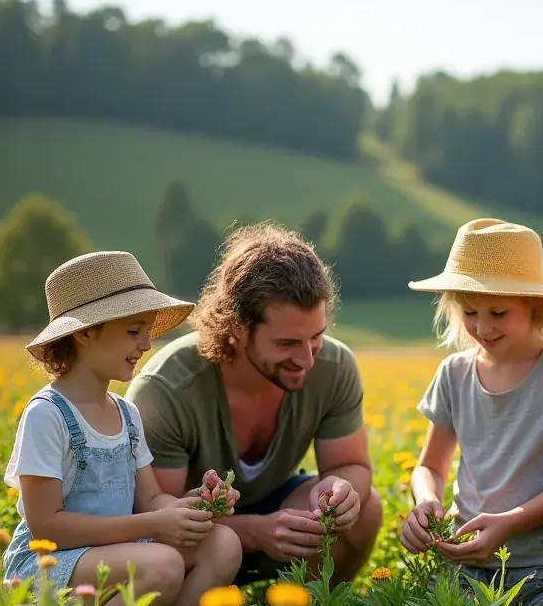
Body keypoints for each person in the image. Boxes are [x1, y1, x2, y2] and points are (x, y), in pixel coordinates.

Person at [3, 250, 242, 606]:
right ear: (84, 334)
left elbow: (150, 499)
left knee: (223, 544)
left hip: (111, 555)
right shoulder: (47, 414)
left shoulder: (125, 413)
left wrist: (191, 507)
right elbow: (47, 527)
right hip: (47, 567)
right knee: (162, 564)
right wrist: (153, 526)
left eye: (147, 332)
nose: (146, 345)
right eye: (134, 331)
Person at [126, 223, 382, 587]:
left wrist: (341, 492)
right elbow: (156, 517)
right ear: (237, 327)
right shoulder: (166, 390)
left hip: (275, 514)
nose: (306, 359)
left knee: (366, 508)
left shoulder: (334, 366)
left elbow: (350, 464)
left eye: (316, 336)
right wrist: (255, 532)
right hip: (191, 543)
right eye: (286, 343)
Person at [398, 218, 543, 606]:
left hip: (540, 570)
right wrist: (425, 504)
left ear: (536, 308)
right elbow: (429, 467)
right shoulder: (454, 373)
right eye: (470, 312)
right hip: (463, 563)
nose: (483, 327)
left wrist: (510, 523)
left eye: (498, 313)